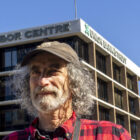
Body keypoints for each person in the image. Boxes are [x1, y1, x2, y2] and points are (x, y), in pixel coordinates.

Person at [3, 41, 131, 140]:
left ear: (74, 83)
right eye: (35, 72)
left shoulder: (110, 135)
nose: (42, 81)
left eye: (53, 71)